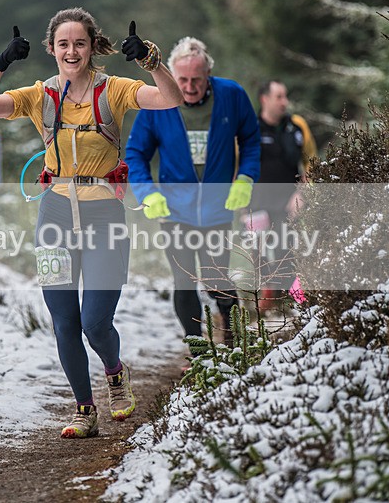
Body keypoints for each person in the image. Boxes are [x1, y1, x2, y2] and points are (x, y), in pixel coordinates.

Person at [0, 8, 182, 439]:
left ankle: (115, 372)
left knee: (94, 321)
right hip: (55, 216)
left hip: (104, 214)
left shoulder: (114, 90)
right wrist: (2, 61)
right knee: (64, 322)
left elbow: (171, 99)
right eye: (63, 44)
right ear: (51, 49)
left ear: (91, 47)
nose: (71, 51)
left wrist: (151, 60)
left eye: (79, 43)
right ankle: (85, 410)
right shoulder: (39, 96)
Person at [125, 36, 261, 348]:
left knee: (216, 279)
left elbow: (251, 141)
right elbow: (135, 154)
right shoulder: (158, 102)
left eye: (196, 80)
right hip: (174, 210)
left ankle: (233, 342)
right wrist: (148, 194)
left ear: (208, 75)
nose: (189, 87)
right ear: (172, 75)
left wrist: (245, 179)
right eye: (182, 79)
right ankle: (197, 351)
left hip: (217, 209)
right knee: (184, 282)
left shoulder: (231, 95)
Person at [250, 79, 317, 292]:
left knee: (287, 256)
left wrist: (303, 193)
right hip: (256, 205)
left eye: (285, 96)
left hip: (289, 203)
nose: (284, 102)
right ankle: (263, 312)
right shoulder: (249, 128)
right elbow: (235, 167)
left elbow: (312, 163)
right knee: (258, 258)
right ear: (264, 99)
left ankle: (299, 306)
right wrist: (242, 207)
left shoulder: (297, 126)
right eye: (279, 97)